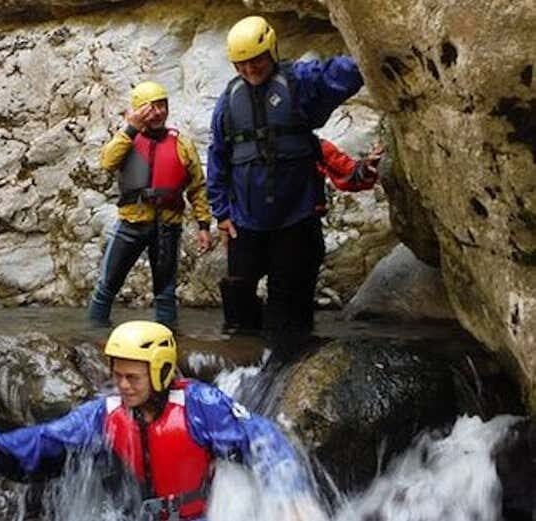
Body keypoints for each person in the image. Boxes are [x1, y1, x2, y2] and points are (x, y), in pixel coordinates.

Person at [0, 321, 325, 521]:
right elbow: (51, 439)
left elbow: (261, 438)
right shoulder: (106, 415)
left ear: (160, 373)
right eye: (118, 375)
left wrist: (288, 493)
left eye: (132, 378)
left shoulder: (201, 404)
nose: (122, 386)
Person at [207, 15, 366, 358]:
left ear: (272, 51)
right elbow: (218, 157)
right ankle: (245, 370)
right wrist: (220, 212)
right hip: (246, 220)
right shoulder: (228, 102)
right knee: (238, 302)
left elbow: (343, 74)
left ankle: (288, 373)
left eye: (257, 60)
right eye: (242, 63)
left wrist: (368, 53)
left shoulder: (298, 81)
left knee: (288, 305)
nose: (250, 69)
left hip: (294, 217)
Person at [220, 138, 383, 335]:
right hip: (248, 227)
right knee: (239, 300)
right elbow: (220, 175)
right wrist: (222, 215)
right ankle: (243, 356)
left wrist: (366, 168)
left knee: (290, 312)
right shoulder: (240, 145)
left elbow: (349, 174)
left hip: (299, 229)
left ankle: (291, 356)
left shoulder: (312, 145)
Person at [87, 82, 213, 328]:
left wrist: (204, 225)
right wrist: (132, 127)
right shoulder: (126, 139)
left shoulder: (182, 144)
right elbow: (107, 162)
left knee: (165, 294)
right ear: (137, 111)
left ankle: (168, 340)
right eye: (150, 108)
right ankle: (92, 341)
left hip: (168, 226)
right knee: (106, 287)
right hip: (131, 223)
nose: (157, 113)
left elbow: (197, 188)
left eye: (161, 106)